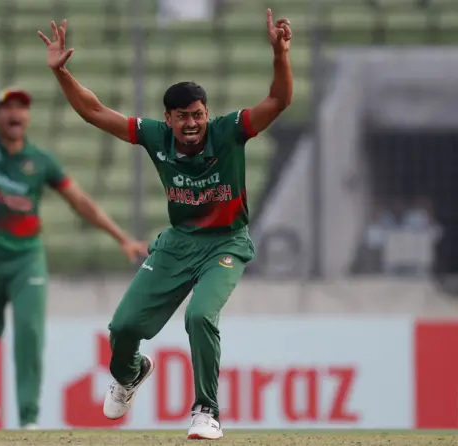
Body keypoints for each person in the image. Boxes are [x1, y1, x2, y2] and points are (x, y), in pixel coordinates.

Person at [38, 8, 292, 440]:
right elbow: (94, 112)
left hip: (225, 245)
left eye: (197, 114)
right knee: (122, 329)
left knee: (199, 316)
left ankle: (206, 411)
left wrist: (280, 54)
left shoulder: (229, 131)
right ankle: (131, 373)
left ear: (206, 113)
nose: (191, 124)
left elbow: (279, 101)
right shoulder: (155, 137)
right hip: (177, 244)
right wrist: (63, 75)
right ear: (168, 119)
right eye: (182, 117)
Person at [0, 23, 149, 431]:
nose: (16, 113)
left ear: (27, 116)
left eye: (22, 107)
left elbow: (80, 201)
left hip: (26, 258)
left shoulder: (41, 160)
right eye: (8, 107)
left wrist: (121, 237)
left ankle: (29, 421)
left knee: (30, 335)